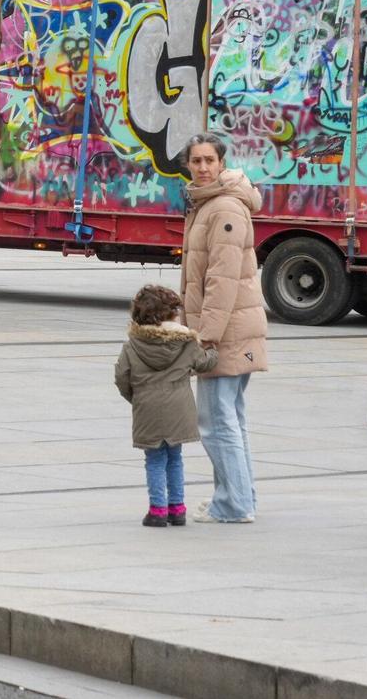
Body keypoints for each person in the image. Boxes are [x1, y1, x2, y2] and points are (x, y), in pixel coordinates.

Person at [177, 132, 267, 524]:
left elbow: (222, 278)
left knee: (216, 424)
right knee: (232, 419)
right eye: (195, 161)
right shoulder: (208, 202)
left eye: (208, 160)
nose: (202, 168)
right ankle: (238, 496)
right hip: (234, 329)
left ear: (221, 163)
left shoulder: (224, 208)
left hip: (226, 332)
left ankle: (233, 504)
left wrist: (206, 335)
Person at [117, 283, 216, 528]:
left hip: (148, 408)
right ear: (173, 314)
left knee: (154, 460)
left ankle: (157, 510)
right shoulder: (186, 343)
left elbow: (121, 378)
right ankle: (177, 508)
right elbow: (204, 363)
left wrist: (137, 397)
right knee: (175, 458)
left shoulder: (132, 346)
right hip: (179, 409)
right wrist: (214, 350)